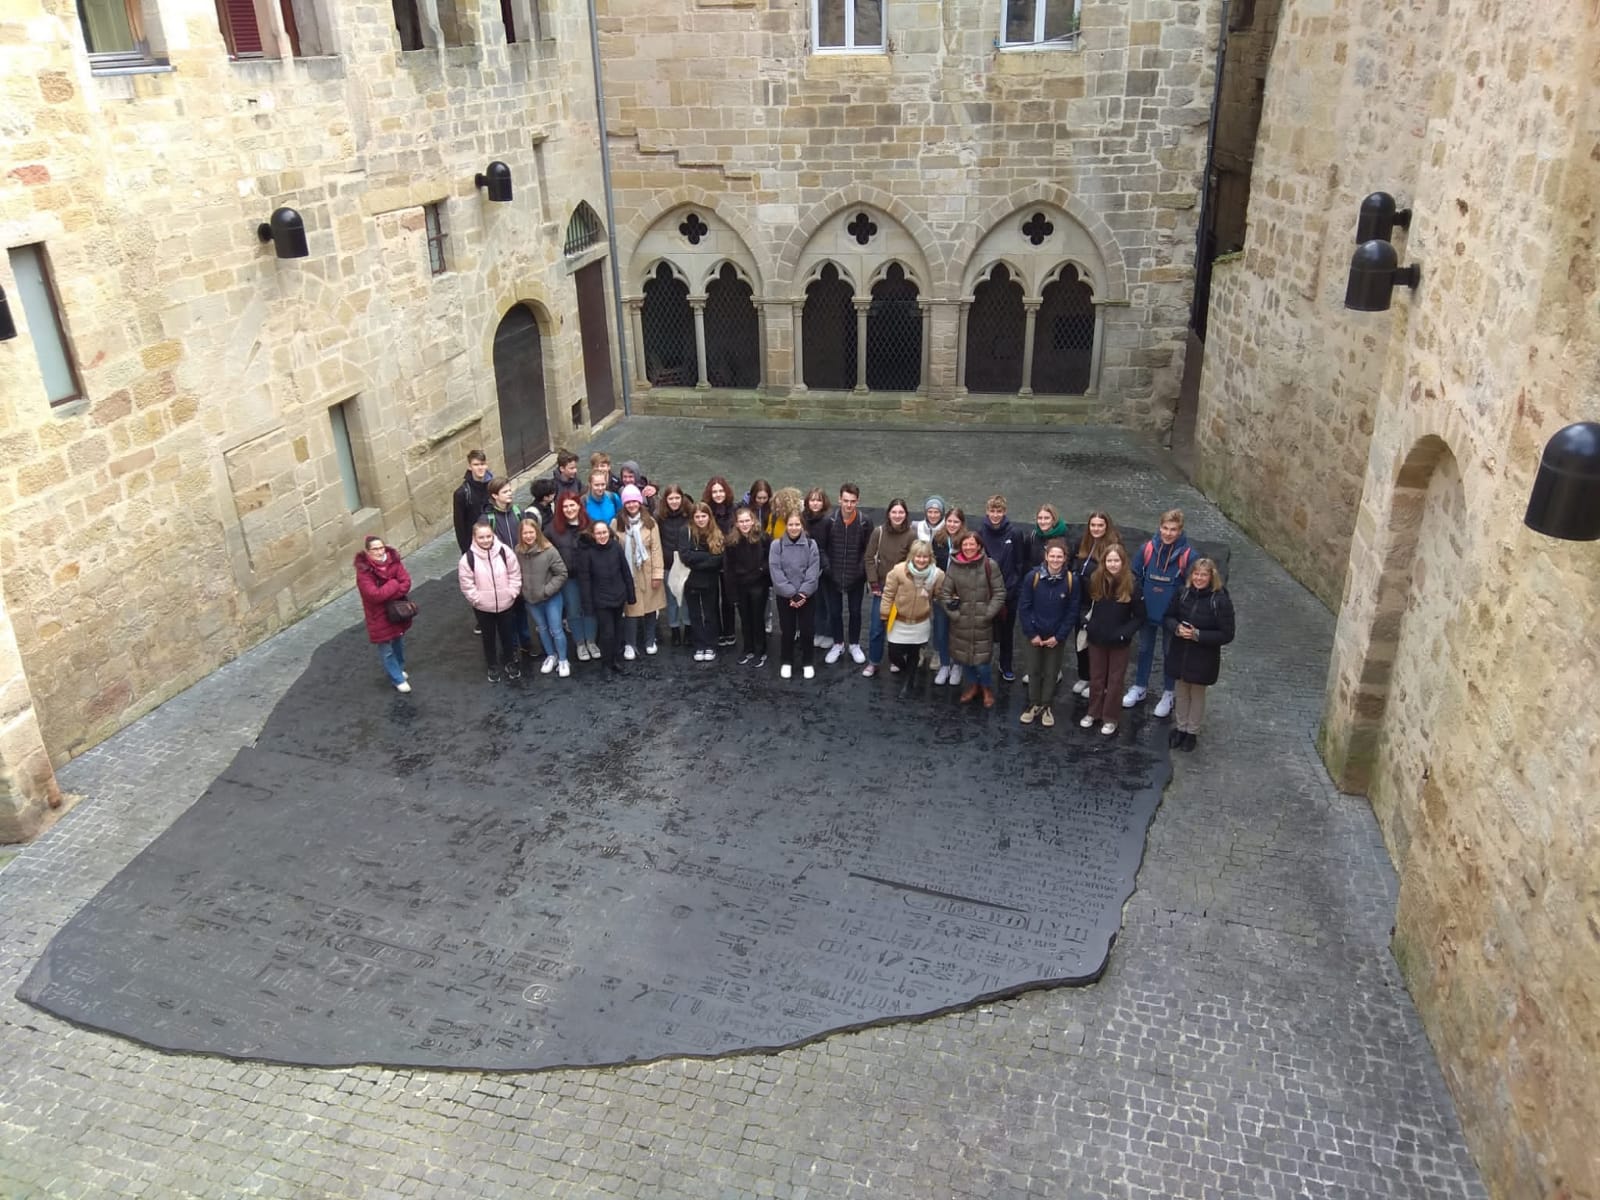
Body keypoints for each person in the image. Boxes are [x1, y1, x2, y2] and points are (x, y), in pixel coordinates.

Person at [1126, 508, 1195, 718]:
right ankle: (1140, 687)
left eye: (1173, 529)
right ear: (1159, 527)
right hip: (1147, 611)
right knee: (1145, 649)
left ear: (1180, 530)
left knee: (1169, 653)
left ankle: (1168, 693)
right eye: (1165, 528)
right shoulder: (1146, 549)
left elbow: (1193, 586)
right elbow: (1134, 575)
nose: (1168, 533)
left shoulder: (1189, 556)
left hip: (1172, 616)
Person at [1162, 558, 1235, 751]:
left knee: (1197, 694)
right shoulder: (1183, 593)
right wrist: (1177, 628)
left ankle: (1191, 732)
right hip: (1181, 651)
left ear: (1211, 577)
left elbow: (1227, 634)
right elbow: (1168, 616)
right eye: (1196, 574)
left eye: (1204, 575)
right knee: (1182, 691)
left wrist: (1198, 635)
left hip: (1203, 655)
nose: (1199, 578)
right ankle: (1180, 727)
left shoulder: (1219, 600)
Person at [1081, 543, 1145, 735]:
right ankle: (1093, 712)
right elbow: (1084, 605)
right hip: (1097, 639)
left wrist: (1125, 633)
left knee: (1115, 681)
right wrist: (1087, 625)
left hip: (1119, 642)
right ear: (1104, 562)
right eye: (1109, 560)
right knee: (1097, 678)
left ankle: (1110, 718)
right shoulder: (1095, 579)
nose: (1113, 564)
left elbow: (1140, 616)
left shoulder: (1132, 584)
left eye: (1116, 560)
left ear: (1123, 561)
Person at [939, 530, 1006, 708]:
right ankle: (973, 686)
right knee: (965, 660)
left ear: (979, 546)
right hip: (960, 623)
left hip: (982, 623)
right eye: (965, 544)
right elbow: (944, 593)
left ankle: (986, 688)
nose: (968, 547)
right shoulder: (954, 566)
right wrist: (955, 615)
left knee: (982, 663)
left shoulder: (989, 565)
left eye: (972, 544)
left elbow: (999, 593)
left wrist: (988, 614)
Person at [1017, 540, 1078, 726]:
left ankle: (1046, 705)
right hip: (1034, 633)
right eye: (1052, 556)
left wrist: (1059, 636)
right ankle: (1033, 703)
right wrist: (1031, 633)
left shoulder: (1071, 580)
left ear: (1065, 558)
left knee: (1051, 672)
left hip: (1055, 635)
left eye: (1059, 556)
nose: (1055, 559)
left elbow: (1072, 611)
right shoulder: (1032, 577)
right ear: (1046, 556)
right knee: (1034, 670)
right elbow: (1024, 607)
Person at [816, 482, 874, 666]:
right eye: (846, 501)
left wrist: (861, 571)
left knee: (856, 612)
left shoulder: (865, 522)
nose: (849, 505)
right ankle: (838, 643)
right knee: (835, 612)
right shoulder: (829, 521)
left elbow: (869, 550)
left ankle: (854, 644)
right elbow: (821, 548)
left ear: (858, 501)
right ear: (839, 499)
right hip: (832, 576)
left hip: (856, 576)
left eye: (853, 501)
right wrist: (827, 568)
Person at [459, 519, 523, 683]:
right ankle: (492, 665)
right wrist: (477, 599)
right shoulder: (468, 559)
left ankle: (510, 662)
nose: (486, 540)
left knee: (507, 635)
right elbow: (467, 584)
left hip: (506, 603)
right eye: (481, 537)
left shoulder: (505, 552)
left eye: (489, 536)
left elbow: (514, 573)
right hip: (483, 607)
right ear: (475, 538)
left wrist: (512, 592)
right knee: (488, 638)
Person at [880, 539, 943, 699]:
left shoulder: (937, 575)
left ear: (930, 558)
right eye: (918, 556)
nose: (921, 560)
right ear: (911, 556)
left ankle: (909, 682)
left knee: (914, 653)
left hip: (920, 621)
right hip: (899, 619)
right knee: (894, 652)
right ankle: (907, 670)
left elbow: (940, 595)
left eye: (925, 557)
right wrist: (884, 613)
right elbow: (888, 594)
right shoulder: (898, 571)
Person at [1070, 511, 1121, 697]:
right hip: (1080, 600)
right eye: (1093, 525)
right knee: (1081, 639)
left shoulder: (1113, 546)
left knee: (1097, 642)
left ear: (1106, 526)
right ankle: (1085, 676)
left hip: (1100, 601)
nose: (1096, 529)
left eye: (1100, 525)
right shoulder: (1082, 543)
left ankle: (1099, 681)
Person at [354, 534, 414, 693]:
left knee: (398, 643)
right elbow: (374, 595)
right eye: (375, 549)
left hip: (396, 612)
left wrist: (388, 589)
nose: (380, 552)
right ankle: (397, 678)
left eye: (381, 548)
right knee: (386, 649)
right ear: (368, 552)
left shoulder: (394, 562)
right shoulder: (364, 574)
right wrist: (394, 583)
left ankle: (399, 668)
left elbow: (406, 582)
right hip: (379, 616)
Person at [862, 498, 915, 677]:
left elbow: (914, 563)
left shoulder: (911, 535)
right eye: (894, 512)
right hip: (882, 588)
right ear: (889, 514)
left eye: (901, 512)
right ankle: (874, 661)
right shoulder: (879, 532)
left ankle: (896, 659)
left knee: (898, 628)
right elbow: (869, 557)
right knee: (877, 627)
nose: (897, 515)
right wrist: (873, 582)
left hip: (902, 589)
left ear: (905, 514)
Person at [576, 519, 636, 674]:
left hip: (618, 595)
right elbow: (585, 579)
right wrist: (587, 605)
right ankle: (606, 664)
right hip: (601, 599)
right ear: (593, 535)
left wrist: (630, 594)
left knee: (618, 631)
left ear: (609, 533)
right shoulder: (587, 552)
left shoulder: (616, 547)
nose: (602, 536)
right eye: (598, 533)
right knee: (607, 633)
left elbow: (625, 571)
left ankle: (616, 660)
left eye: (604, 532)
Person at [515, 516, 571, 677]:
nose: (528, 536)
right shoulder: (518, 551)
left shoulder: (549, 550)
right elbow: (515, 573)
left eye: (531, 532)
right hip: (531, 599)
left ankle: (563, 659)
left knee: (556, 629)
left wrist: (546, 590)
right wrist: (522, 590)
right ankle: (551, 655)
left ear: (537, 532)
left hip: (551, 597)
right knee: (542, 629)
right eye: (525, 533)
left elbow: (561, 573)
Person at [613, 485, 664, 659]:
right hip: (628, 573)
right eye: (628, 502)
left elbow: (656, 549)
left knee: (651, 608)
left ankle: (650, 640)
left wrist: (658, 574)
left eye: (635, 501)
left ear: (640, 502)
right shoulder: (616, 523)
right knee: (630, 610)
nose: (632, 504)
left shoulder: (650, 522)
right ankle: (630, 643)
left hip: (648, 571)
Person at [768, 511, 820, 679]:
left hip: (807, 596)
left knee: (807, 631)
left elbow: (813, 572)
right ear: (786, 526)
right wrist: (791, 593)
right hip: (785, 597)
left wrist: (803, 593)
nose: (794, 527)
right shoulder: (777, 545)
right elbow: (775, 571)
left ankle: (808, 662)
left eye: (797, 524)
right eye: (791, 524)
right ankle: (786, 661)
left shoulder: (812, 545)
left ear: (802, 526)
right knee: (787, 630)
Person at [550, 493, 599, 662]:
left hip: (590, 576)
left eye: (572, 505)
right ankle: (580, 643)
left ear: (579, 506)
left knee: (590, 608)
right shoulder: (552, 530)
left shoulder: (590, 525)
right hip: (568, 578)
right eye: (565, 506)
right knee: (573, 610)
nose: (569, 509)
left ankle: (591, 641)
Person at [451, 450, 494, 633]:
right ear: (470, 466)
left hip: (494, 541)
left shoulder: (493, 485)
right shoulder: (462, 493)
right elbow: (460, 525)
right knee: (479, 584)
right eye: (476, 464)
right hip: (474, 545)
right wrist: (466, 551)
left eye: (483, 464)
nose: (480, 468)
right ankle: (482, 619)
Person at [723, 506, 771, 666]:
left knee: (758, 618)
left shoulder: (763, 538)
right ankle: (748, 648)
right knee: (745, 619)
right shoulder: (731, 541)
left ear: (753, 521)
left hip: (758, 584)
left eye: (747, 521)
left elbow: (769, 559)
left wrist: (761, 570)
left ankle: (761, 650)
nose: (744, 524)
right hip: (740, 585)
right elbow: (728, 567)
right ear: (736, 524)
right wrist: (731, 592)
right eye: (741, 521)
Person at [679, 502, 726, 661]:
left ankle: (711, 645)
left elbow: (719, 558)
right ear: (692, 518)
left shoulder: (716, 532)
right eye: (697, 516)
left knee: (710, 612)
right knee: (695, 614)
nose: (700, 519)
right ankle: (699, 645)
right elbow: (685, 556)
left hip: (710, 579)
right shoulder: (685, 531)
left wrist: (698, 557)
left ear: (709, 516)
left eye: (703, 516)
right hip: (691, 579)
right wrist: (707, 557)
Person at [930, 507, 967, 686]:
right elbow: (931, 564)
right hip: (941, 594)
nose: (952, 525)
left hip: (960, 596)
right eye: (950, 521)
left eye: (956, 522)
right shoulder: (938, 539)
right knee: (941, 631)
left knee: (957, 633)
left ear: (962, 524)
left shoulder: (967, 541)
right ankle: (945, 665)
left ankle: (957, 665)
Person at [655, 484, 693, 647]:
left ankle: (689, 629)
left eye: (677, 498)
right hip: (668, 563)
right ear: (666, 500)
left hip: (686, 563)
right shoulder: (659, 516)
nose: (674, 501)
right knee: (672, 599)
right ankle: (675, 630)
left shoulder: (689, 514)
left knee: (685, 598)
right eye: (671, 498)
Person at [703, 477, 738, 646]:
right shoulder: (705, 510)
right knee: (712, 597)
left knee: (728, 597)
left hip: (729, 561)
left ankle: (729, 631)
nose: (718, 494)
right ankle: (716, 631)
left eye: (721, 491)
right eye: (715, 491)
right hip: (711, 560)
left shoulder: (734, 510)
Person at [801, 487, 834, 649]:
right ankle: (817, 631)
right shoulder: (803, 519)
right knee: (813, 603)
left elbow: (830, 546)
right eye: (812, 500)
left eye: (818, 500)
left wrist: (826, 566)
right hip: (807, 568)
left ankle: (828, 634)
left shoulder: (828, 520)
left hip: (824, 568)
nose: (815, 503)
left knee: (826, 602)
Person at [1023, 503, 1071, 572]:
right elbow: (1026, 560)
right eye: (1040, 518)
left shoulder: (1065, 538)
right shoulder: (1032, 537)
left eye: (1046, 518)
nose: (1042, 522)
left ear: (1054, 519)